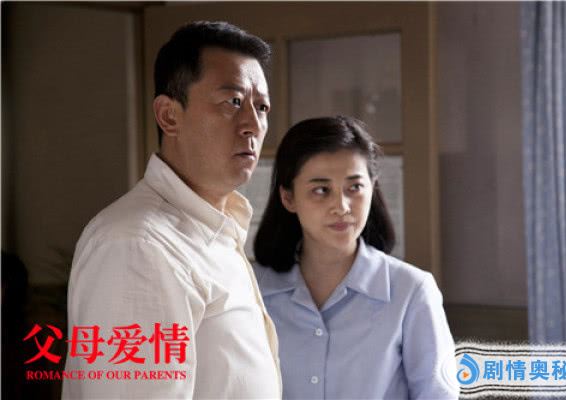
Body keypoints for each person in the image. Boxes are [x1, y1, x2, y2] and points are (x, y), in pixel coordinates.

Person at [63, 21, 281, 399]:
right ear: (169, 115)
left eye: (261, 107)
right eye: (232, 102)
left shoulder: (215, 227)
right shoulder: (137, 245)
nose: (253, 124)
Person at [253, 116, 459, 399]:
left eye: (354, 188)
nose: (341, 206)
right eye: (321, 190)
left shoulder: (410, 291)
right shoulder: (254, 289)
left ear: (372, 187)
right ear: (288, 198)